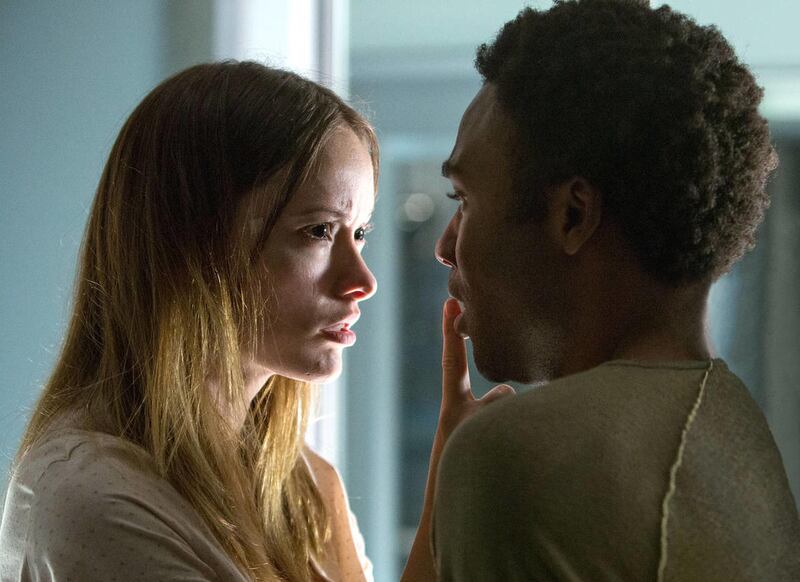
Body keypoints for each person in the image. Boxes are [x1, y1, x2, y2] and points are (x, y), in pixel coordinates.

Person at [427, 1, 800, 580]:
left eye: (465, 201)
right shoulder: (734, 434)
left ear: (573, 216)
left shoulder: (520, 454)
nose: (446, 246)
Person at [0, 61, 382, 581]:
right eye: (318, 230)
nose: (362, 279)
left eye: (359, 233)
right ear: (194, 243)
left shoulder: (304, 486)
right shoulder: (95, 495)